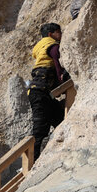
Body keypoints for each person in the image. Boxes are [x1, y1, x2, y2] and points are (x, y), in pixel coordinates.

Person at [28, 22, 70, 159]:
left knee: (59, 118)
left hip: (39, 91)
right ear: (51, 34)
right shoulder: (52, 46)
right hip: (41, 92)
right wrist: (63, 79)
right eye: (59, 32)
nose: (61, 34)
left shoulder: (40, 47)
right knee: (40, 128)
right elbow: (58, 66)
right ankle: (33, 160)